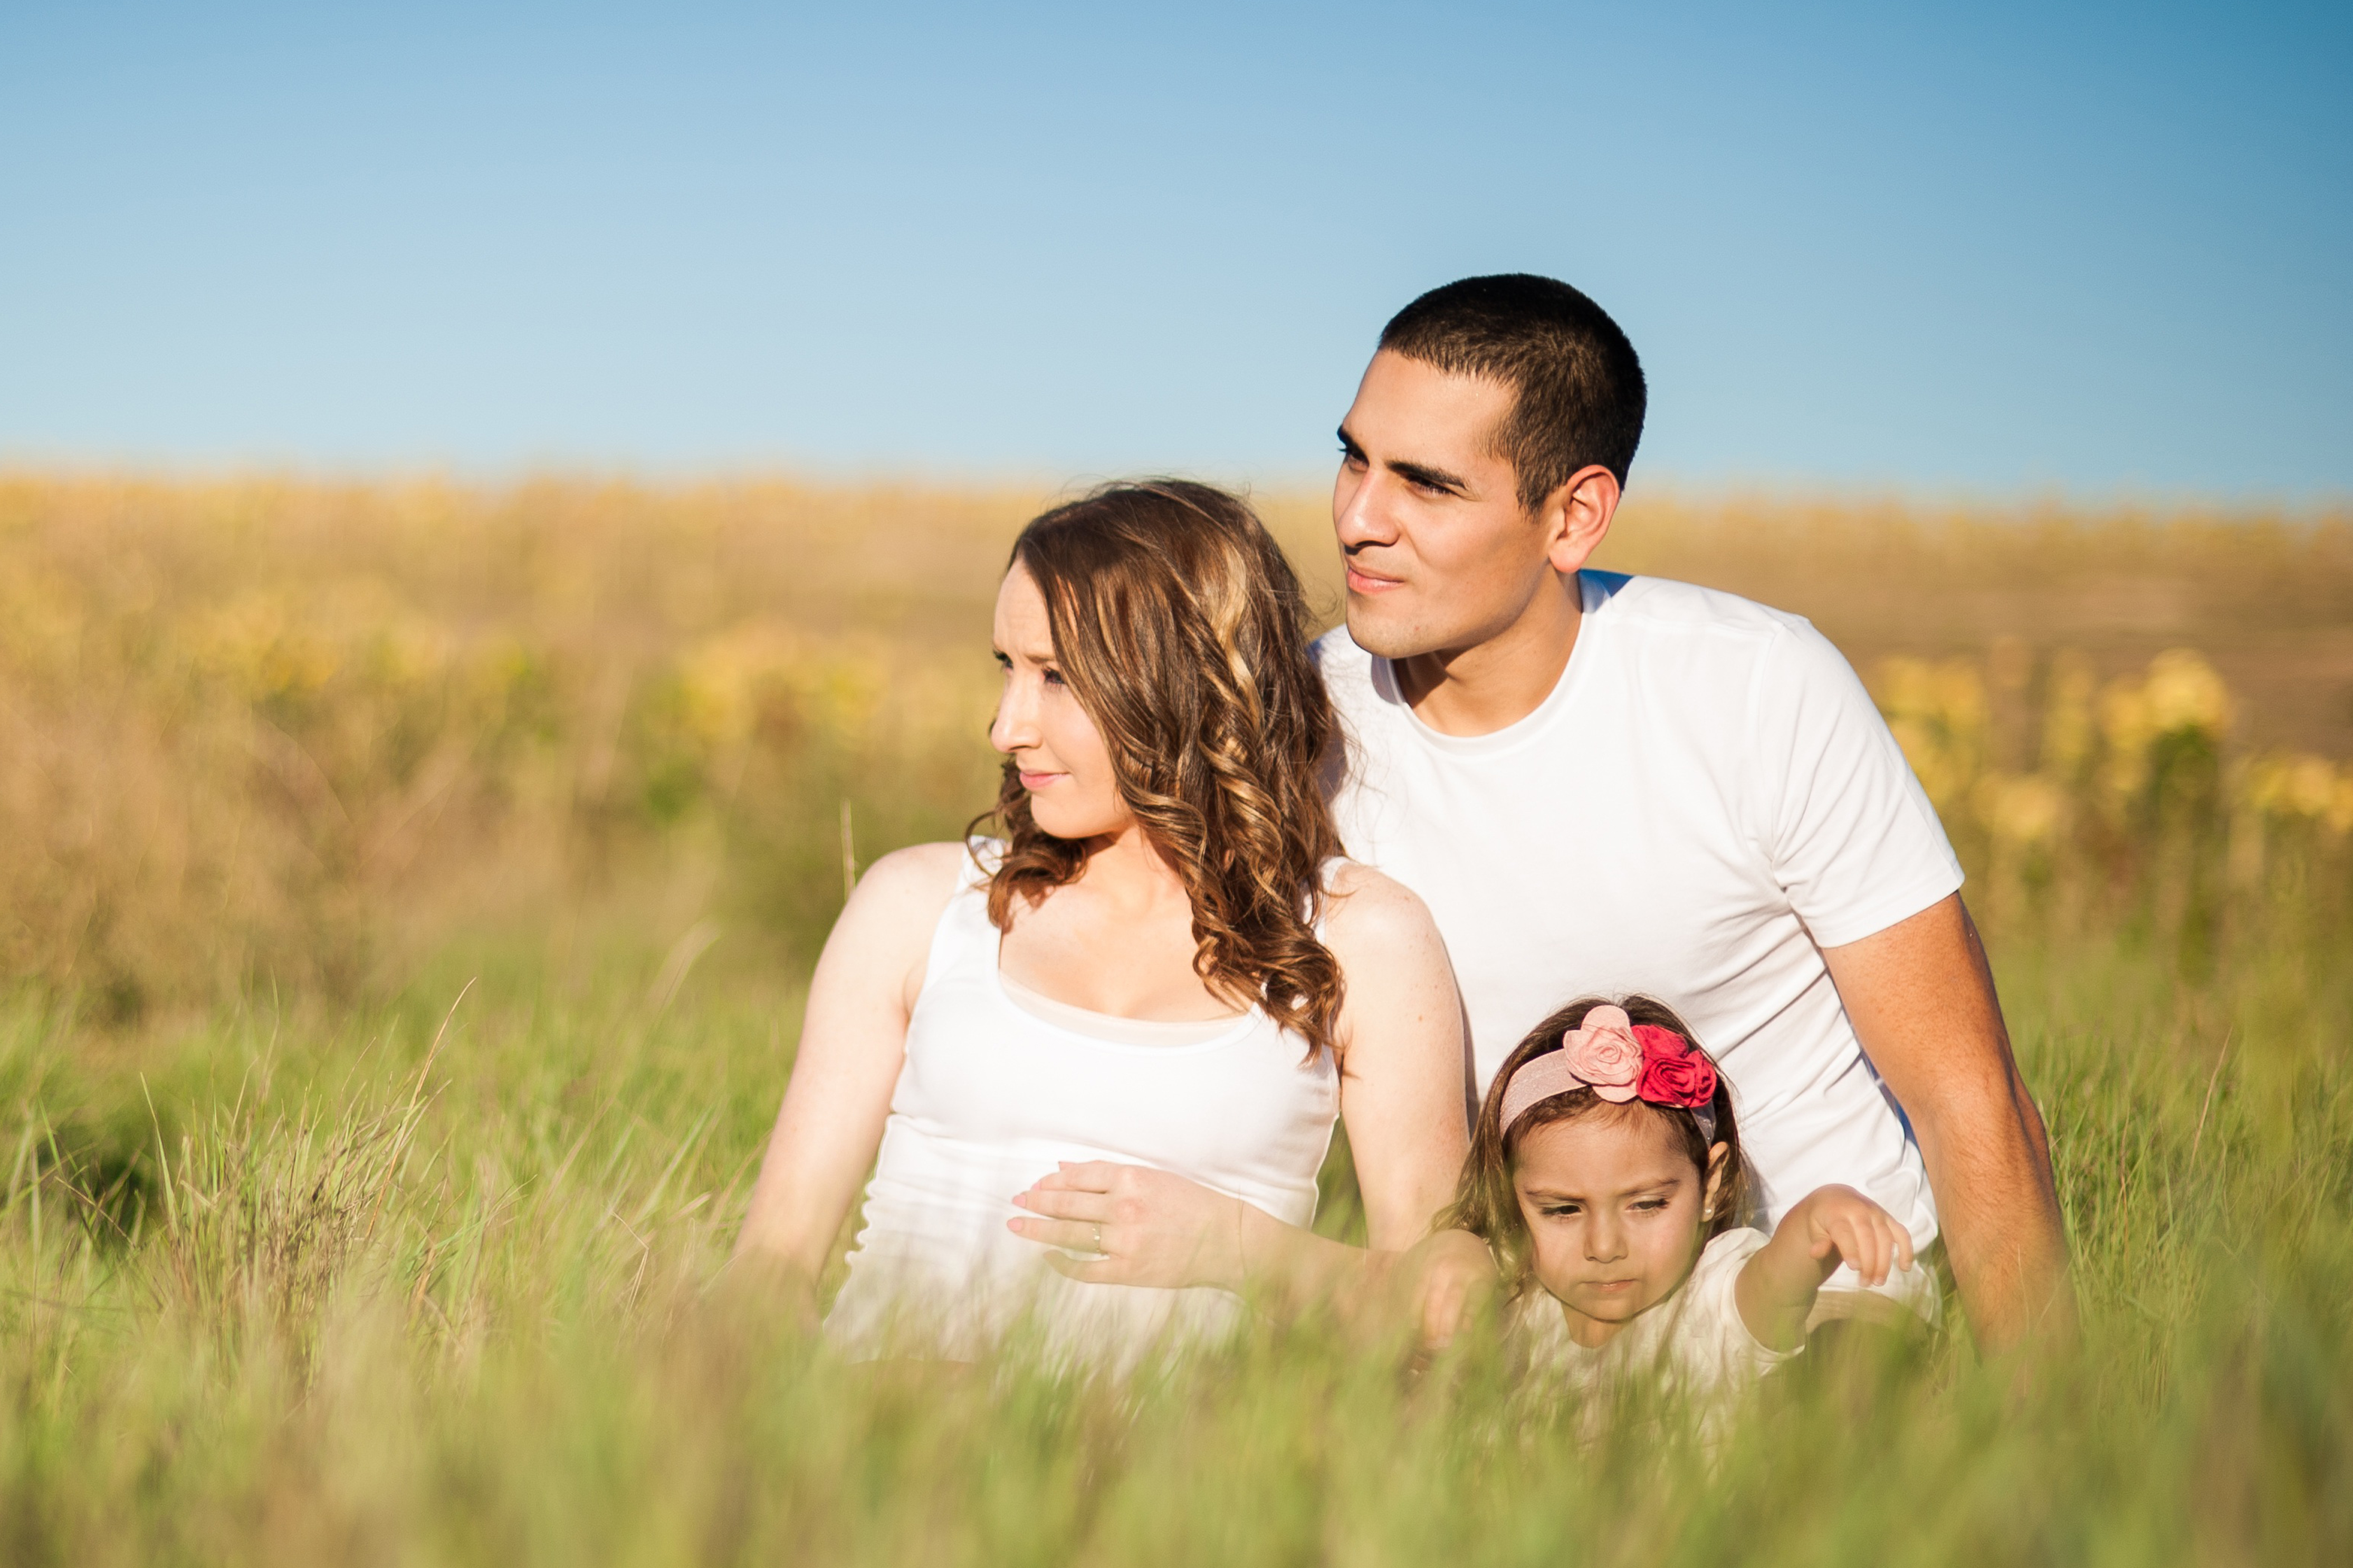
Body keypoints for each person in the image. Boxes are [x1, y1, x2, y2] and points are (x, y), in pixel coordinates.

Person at [1033, 275, 2071, 1357]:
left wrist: (2048, 1460)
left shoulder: (1760, 688)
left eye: (1425, 485)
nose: (1357, 517)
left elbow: (1970, 1098)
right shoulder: (1296, 725)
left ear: (1571, 516)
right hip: (1518, 1323)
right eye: (1355, 458)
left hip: (1816, 1306)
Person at [730, 480, 1469, 1365]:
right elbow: (767, 1272)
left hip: (1183, 1485)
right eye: (1006, 666)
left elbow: (1451, 1302)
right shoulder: (920, 906)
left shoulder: (1361, 936)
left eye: (1056, 676)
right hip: (884, 1451)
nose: (1007, 725)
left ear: (1188, 679)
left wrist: (1240, 1250)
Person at [1448, 995, 1915, 1435]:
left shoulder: (1713, 1299)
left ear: (1709, 1185)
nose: (1605, 1246)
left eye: (1647, 1204)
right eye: (1563, 1209)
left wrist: (1820, 1215)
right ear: (1510, 1198)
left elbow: (1776, 1283)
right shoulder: (1514, 1309)